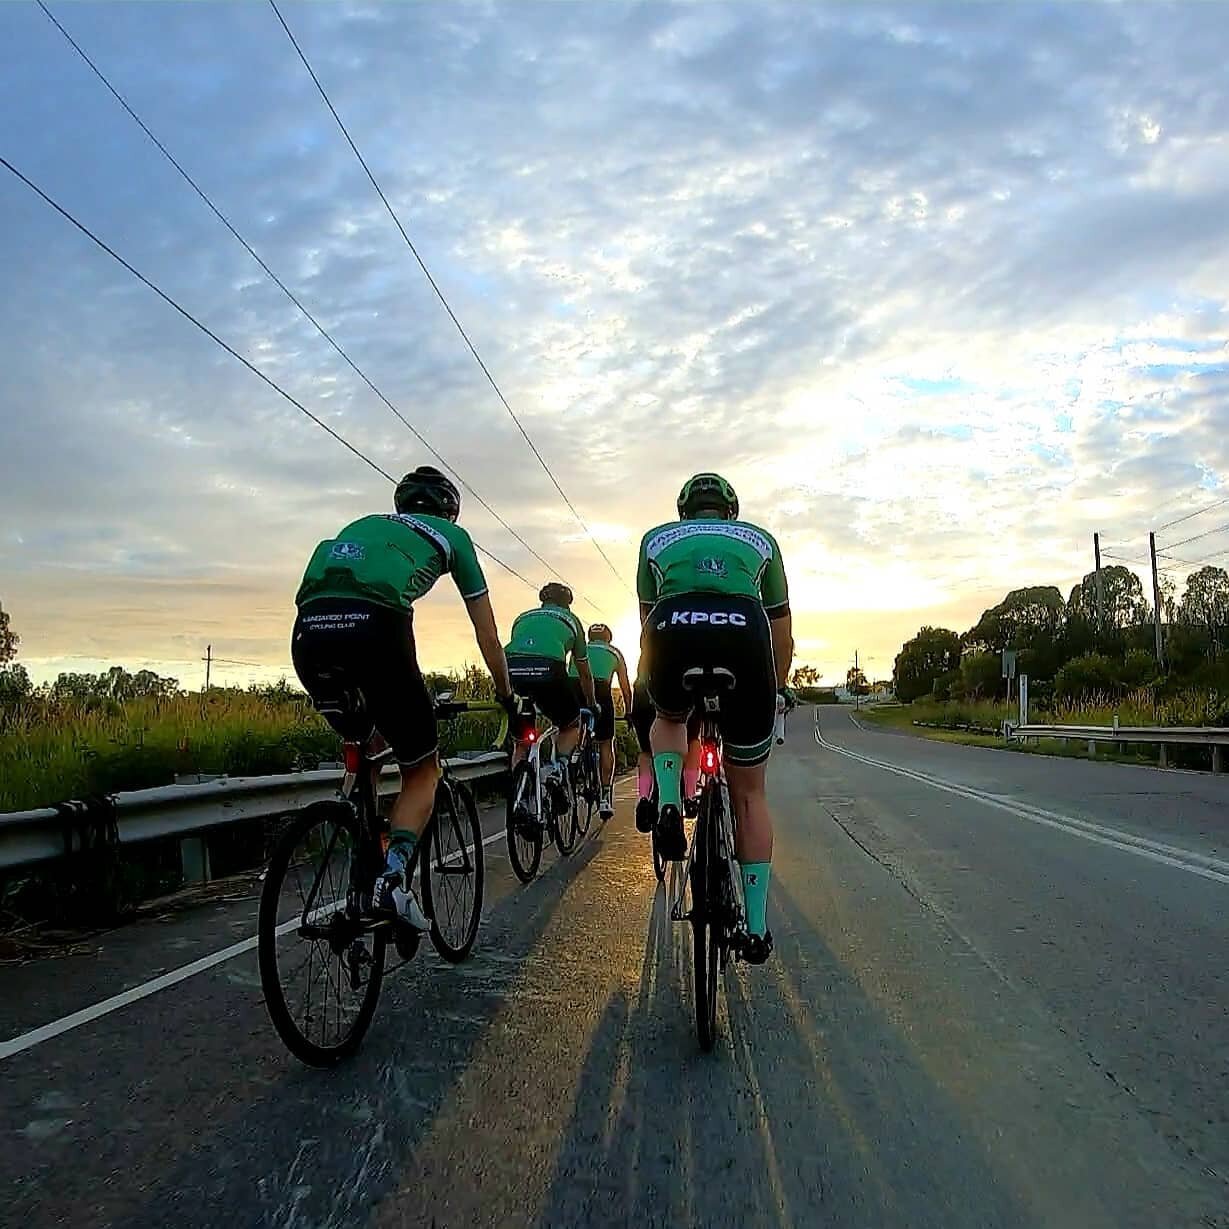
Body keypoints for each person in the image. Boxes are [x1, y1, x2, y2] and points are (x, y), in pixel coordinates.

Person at [292, 466, 517, 929]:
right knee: (423, 769)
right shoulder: (452, 536)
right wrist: (504, 691)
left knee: (366, 744)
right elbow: (488, 635)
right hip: (376, 629)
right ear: (450, 510)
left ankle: (361, 849)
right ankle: (390, 880)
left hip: (308, 632)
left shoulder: (363, 525)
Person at [636, 472, 793, 965]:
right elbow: (782, 635)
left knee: (669, 717)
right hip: (745, 637)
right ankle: (756, 926)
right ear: (731, 512)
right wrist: (778, 687)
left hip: (673, 628)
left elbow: (646, 624)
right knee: (749, 793)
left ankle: (666, 801)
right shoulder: (761, 539)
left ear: (684, 511)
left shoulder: (655, 538)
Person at [505, 583, 597, 787]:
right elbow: (584, 673)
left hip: (511, 667)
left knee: (521, 741)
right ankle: (557, 770)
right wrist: (591, 702)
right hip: (549, 668)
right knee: (570, 724)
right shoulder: (571, 620)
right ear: (567, 604)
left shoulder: (523, 617)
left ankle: (519, 795)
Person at [568, 624, 633, 818]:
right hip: (601, 690)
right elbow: (625, 688)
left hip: (575, 687)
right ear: (608, 638)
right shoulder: (615, 652)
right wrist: (629, 712)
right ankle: (605, 797)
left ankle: (571, 760)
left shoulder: (581, 650)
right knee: (606, 744)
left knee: (570, 730)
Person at [631, 665, 702, 831]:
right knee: (693, 741)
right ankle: (690, 796)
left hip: (645, 690)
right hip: (684, 688)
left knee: (646, 751)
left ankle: (643, 799)